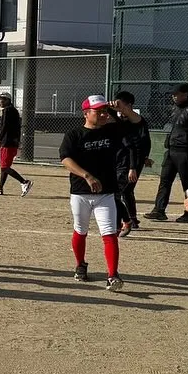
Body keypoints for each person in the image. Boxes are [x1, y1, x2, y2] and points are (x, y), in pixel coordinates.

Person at [59, 95, 137, 291]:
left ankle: (112, 275)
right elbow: (65, 159)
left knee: (109, 233)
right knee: (80, 231)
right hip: (80, 192)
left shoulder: (112, 131)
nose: (103, 114)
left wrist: (120, 109)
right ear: (86, 113)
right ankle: (80, 264)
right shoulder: (74, 134)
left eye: (105, 111)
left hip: (106, 193)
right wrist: (87, 176)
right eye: (98, 111)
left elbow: (136, 123)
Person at [145, 83, 188, 223]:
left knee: (187, 183)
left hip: (185, 152)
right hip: (171, 150)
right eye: (173, 94)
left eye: (177, 94)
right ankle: (159, 210)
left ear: (185, 95)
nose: (174, 96)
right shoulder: (175, 109)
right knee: (165, 180)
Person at [112, 91, 152, 236]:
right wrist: (113, 107)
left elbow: (142, 143)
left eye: (120, 104)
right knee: (125, 191)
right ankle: (131, 220)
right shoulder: (121, 121)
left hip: (131, 163)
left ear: (129, 105)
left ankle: (124, 222)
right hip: (120, 160)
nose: (117, 107)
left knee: (120, 192)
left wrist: (134, 166)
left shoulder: (136, 121)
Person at [0, 93, 32, 196]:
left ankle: (24, 182)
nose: (0, 102)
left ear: (8, 100)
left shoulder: (7, 110)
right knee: (4, 166)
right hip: (12, 142)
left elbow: (5, 126)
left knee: (5, 167)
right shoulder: (13, 110)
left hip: (7, 142)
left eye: (2, 99)